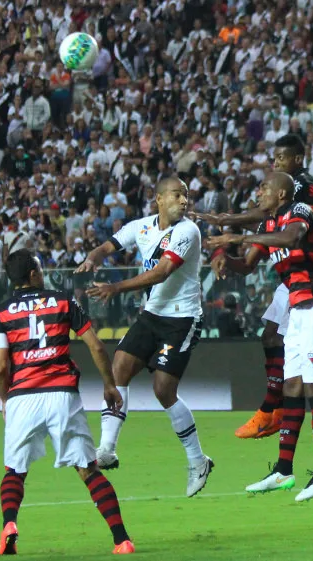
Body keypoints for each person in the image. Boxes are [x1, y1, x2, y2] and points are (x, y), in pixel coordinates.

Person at [206, 172, 313, 502]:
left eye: (264, 188)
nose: (259, 192)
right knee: (292, 387)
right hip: (297, 310)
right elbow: (247, 265)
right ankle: (284, 469)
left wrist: (238, 239)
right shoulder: (266, 227)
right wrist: (226, 261)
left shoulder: (300, 212)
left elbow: (293, 239)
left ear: (281, 193)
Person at [194, 134, 313, 439]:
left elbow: (271, 220)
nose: (275, 165)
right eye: (274, 159)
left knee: (288, 353)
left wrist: (225, 221)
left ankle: (272, 410)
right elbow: (247, 263)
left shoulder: (301, 186)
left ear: (297, 160)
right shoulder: (276, 219)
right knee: (270, 337)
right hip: (293, 276)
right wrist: (223, 255)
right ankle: (275, 411)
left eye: (281, 159)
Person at [0, 249, 134, 556]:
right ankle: (121, 540)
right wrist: (109, 385)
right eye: (40, 269)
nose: (43, 273)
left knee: (15, 471)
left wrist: (5, 402)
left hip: (22, 397)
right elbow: (96, 346)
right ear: (32, 275)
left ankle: (9, 524)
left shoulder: (0, 312)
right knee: (88, 469)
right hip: (62, 395)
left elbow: (0, 368)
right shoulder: (63, 300)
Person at [76, 177, 214, 498]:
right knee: (118, 370)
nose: (184, 201)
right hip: (152, 314)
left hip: (181, 318)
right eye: (177, 195)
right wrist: (94, 257)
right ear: (159, 200)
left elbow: (162, 271)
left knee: (163, 390)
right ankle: (107, 448)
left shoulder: (187, 231)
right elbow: (109, 245)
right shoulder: (141, 226)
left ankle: (198, 461)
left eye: (187, 196)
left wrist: (116, 287)